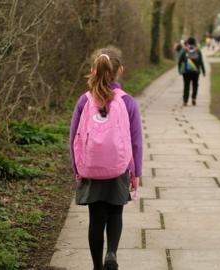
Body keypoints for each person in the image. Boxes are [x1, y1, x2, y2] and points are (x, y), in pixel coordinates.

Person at [69, 46, 143, 270]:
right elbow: (136, 141)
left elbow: (74, 138)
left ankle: (96, 267)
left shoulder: (84, 101)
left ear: (94, 70)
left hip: (91, 167)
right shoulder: (128, 101)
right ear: (120, 70)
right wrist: (136, 172)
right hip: (118, 167)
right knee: (115, 212)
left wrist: (77, 168)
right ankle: (111, 253)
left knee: (96, 218)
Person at [177, 37, 206, 106]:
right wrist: (203, 71)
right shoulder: (198, 50)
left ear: (188, 43)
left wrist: (179, 69)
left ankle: (185, 101)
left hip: (186, 71)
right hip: (196, 71)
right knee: (195, 85)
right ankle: (193, 98)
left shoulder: (184, 50)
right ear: (195, 43)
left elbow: (179, 61)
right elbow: (201, 61)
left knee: (186, 85)